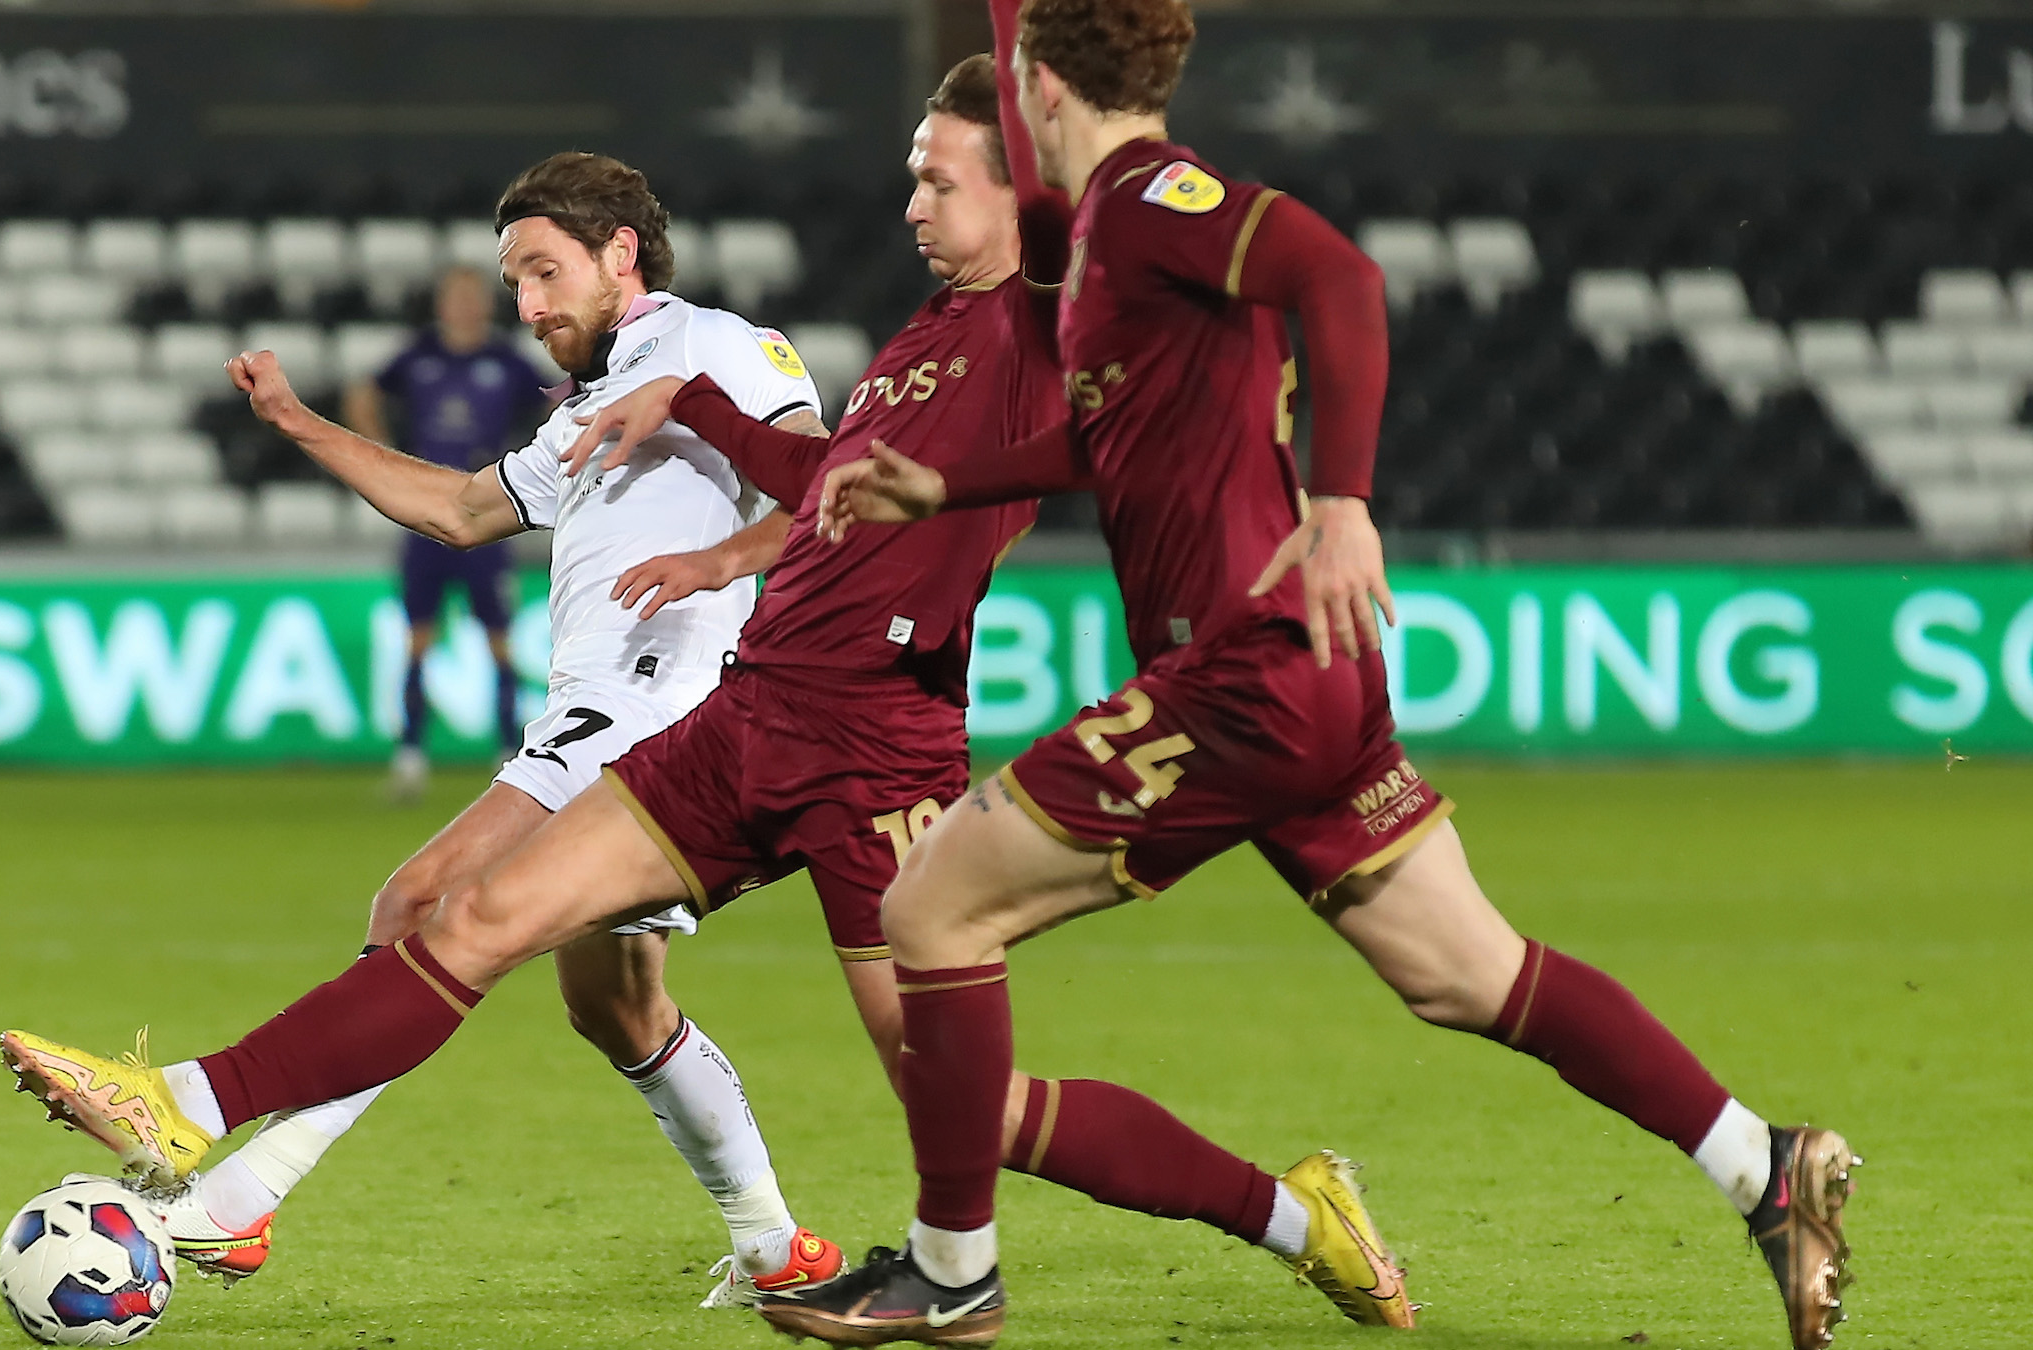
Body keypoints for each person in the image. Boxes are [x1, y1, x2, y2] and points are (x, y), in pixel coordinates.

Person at [0, 54, 1404, 1333]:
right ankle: (210, 1124)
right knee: (536, 957)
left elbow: (838, 464)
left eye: (939, 176)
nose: (912, 201)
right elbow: (555, 504)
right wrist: (317, 423)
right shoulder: (886, 344)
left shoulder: (911, 326)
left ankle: (1283, 1216)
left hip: (826, 732)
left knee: (942, 1090)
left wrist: (721, 531)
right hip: (743, 721)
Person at [767, 2, 1859, 1347]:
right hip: (1308, 681)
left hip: (1241, 677)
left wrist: (1341, 500)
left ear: (1038, 89)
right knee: (1468, 971)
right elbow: (1107, 440)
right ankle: (1765, 1162)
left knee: (930, 911)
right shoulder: (1105, 237)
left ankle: (951, 1270)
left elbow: (1340, 276)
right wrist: (945, 478)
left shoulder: (1159, 200)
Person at [105, 151, 851, 1307]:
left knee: (421, 902)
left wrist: (719, 559)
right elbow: (459, 508)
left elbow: (830, 482)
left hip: (653, 710)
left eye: (545, 273)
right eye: (515, 283)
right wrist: (298, 421)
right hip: (606, 711)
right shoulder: (591, 404)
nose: (530, 306)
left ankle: (240, 1202)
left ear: (622, 253)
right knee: (616, 1005)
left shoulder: (716, 345)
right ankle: (776, 1251)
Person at [343, 264, 552, 801]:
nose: (462, 306)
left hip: (486, 514)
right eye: (454, 297)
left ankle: (508, 755)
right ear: (442, 304)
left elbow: (556, 404)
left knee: (499, 642)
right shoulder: (419, 356)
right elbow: (362, 394)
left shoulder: (506, 361)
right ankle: (410, 757)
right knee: (418, 640)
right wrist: (384, 454)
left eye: (471, 297)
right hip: (426, 517)